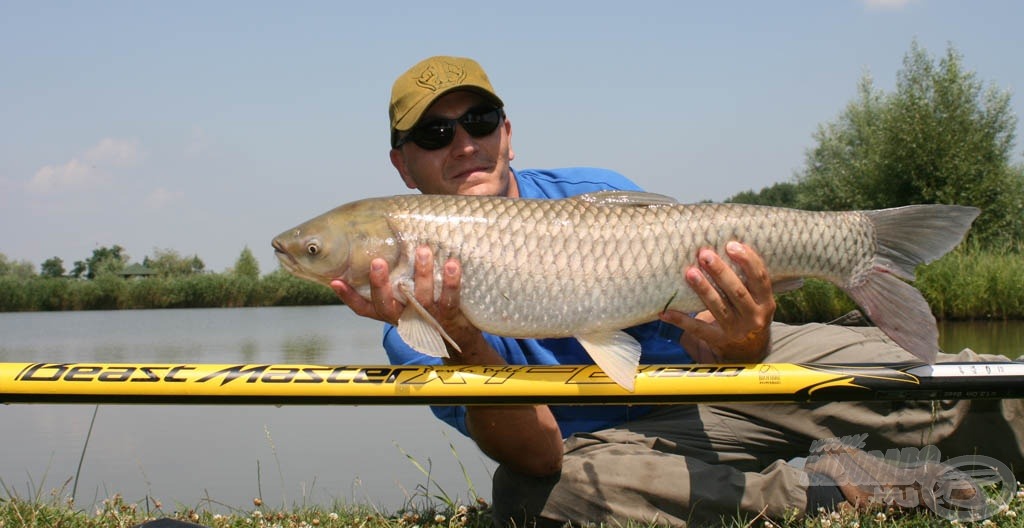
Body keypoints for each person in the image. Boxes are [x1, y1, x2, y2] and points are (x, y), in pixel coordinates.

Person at [331, 56, 1024, 527]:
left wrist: (747, 334)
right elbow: (537, 453)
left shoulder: (591, 195)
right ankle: (834, 487)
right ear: (402, 162)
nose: (463, 143)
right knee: (536, 495)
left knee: (957, 384)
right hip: (611, 445)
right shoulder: (409, 329)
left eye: (479, 122)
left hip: (715, 383)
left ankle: (992, 411)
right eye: (435, 132)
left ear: (507, 134)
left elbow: (731, 353)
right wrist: (464, 338)